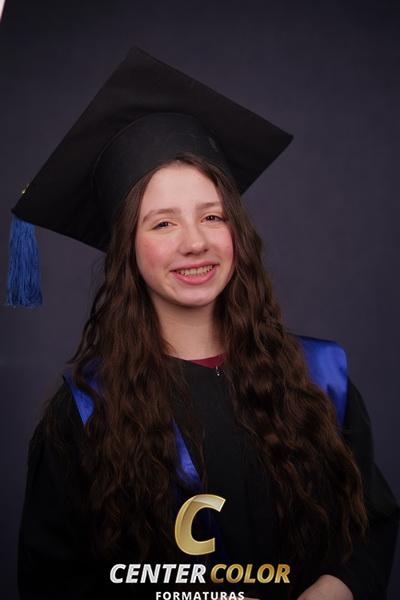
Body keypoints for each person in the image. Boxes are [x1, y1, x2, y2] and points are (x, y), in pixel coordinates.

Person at [10, 46, 399, 600]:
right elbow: (54, 583)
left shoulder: (320, 379)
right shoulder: (86, 412)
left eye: (212, 215)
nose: (194, 242)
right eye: (162, 223)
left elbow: (369, 526)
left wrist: (335, 588)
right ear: (127, 251)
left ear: (236, 230)